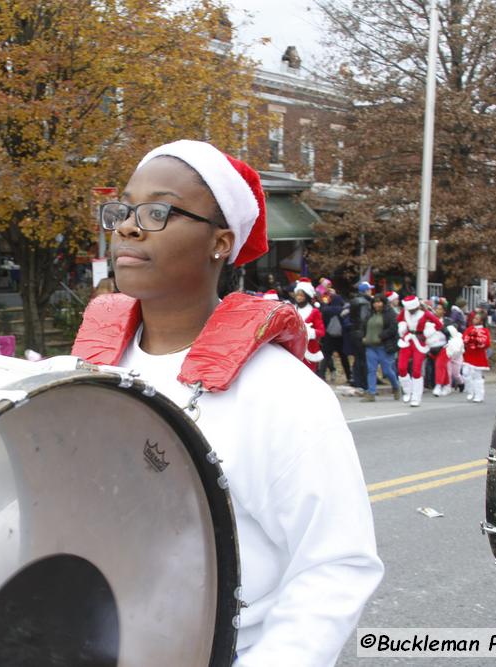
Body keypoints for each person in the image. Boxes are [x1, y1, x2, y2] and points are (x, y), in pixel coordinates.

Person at [71, 139, 382, 665]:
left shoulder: (283, 394)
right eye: (123, 209)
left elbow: (335, 566)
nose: (126, 226)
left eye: (158, 211)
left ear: (221, 241)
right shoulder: (82, 371)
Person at [396, 294, 443, 407]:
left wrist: (429, 331)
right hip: (407, 340)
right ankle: (407, 391)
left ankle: (416, 397)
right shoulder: (404, 311)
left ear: (416, 306)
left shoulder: (425, 313)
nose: (410, 311)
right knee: (401, 368)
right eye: (409, 309)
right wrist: (402, 326)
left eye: (412, 309)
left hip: (420, 341)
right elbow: (398, 320)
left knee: (416, 370)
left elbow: (439, 324)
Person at [361, 294, 400, 401]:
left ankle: (396, 387)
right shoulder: (370, 314)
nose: (376, 304)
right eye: (375, 302)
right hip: (370, 346)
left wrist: (381, 336)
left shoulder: (390, 314)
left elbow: (393, 329)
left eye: (379, 302)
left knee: (387, 371)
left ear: (384, 303)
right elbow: (363, 327)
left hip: (384, 347)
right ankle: (371, 393)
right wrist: (363, 337)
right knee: (371, 370)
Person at [317, 284, 350, 384]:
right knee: (343, 357)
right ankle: (349, 375)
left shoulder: (325, 310)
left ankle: (321, 375)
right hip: (340, 337)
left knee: (326, 357)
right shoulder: (343, 310)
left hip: (328, 336)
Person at [292, 278, 324, 373]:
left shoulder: (314, 312)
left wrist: (309, 332)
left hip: (309, 350)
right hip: (293, 349)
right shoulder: (292, 310)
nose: (299, 297)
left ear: (307, 296)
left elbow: (321, 331)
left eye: (301, 295)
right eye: (297, 295)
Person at [462, 310, 491, 403]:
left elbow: (486, 343)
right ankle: (471, 391)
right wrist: (468, 340)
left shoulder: (484, 331)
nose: (474, 320)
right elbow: (464, 339)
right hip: (468, 356)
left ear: (481, 321)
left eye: (477, 318)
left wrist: (477, 340)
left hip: (478, 356)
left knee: (477, 376)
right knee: (465, 373)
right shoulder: (469, 329)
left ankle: (479, 395)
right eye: (474, 318)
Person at [348, 281, 373, 389]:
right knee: (363, 358)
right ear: (366, 291)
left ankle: (357, 380)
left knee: (358, 358)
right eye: (369, 289)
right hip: (361, 333)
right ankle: (364, 383)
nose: (371, 291)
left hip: (354, 332)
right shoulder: (364, 303)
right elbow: (363, 319)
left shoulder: (354, 301)